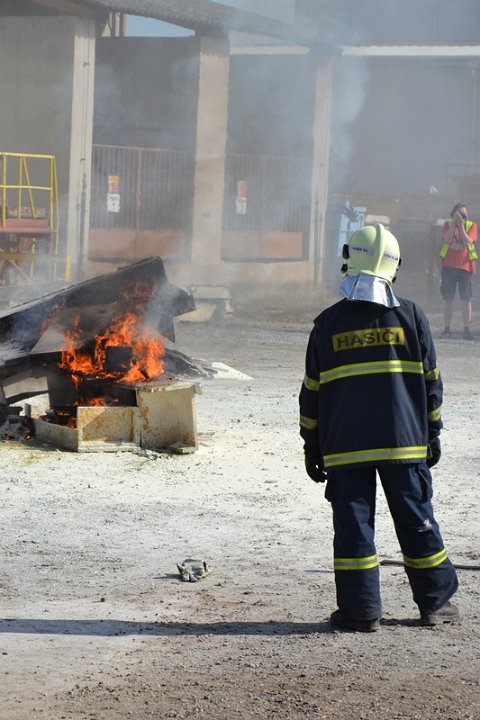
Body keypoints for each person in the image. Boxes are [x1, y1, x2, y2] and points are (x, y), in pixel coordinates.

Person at [299, 223, 459, 632]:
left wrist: (311, 445)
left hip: (345, 447)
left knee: (353, 529)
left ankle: (360, 611)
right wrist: (433, 433)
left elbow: (312, 393)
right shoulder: (412, 317)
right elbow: (431, 383)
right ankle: (436, 604)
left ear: (348, 262)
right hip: (404, 444)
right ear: (393, 267)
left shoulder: (327, 324)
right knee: (417, 521)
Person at [439, 203, 477, 340]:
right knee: (448, 298)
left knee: (466, 298)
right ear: (453, 214)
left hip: (465, 267)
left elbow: (468, 241)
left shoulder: (471, 225)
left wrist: (460, 225)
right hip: (449, 267)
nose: (462, 217)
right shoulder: (447, 225)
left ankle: (466, 329)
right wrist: (453, 224)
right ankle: (447, 329)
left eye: (464, 215)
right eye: (460, 214)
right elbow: (447, 240)